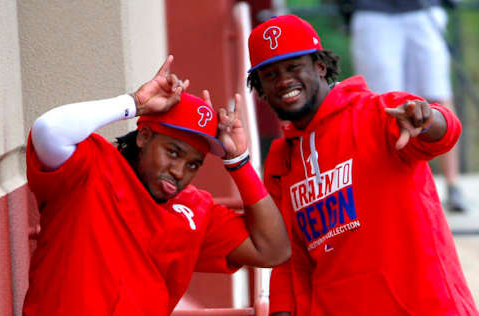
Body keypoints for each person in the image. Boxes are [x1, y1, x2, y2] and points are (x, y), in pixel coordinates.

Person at [246, 15, 478, 315]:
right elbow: (289, 260)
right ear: (260, 86)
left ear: (319, 66)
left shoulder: (378, 112)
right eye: (271, 74)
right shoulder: (281, 158)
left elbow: (445, 133)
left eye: (293, 67)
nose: (284, 80)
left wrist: (427, 119)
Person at [24, 55, 290, 316]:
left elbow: (273, 250)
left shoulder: (195, 210)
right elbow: (49, 130)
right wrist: (133, 103)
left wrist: (239, 162)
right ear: (144, 136)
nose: (179, 171)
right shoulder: (92, 166)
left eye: (193, 164)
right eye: (173, 152)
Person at [349, 0, 466, 212]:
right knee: (380, 103)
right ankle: (386, 189)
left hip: (424, 8)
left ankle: (452, 185)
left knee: (438, 94)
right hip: (372, 10)